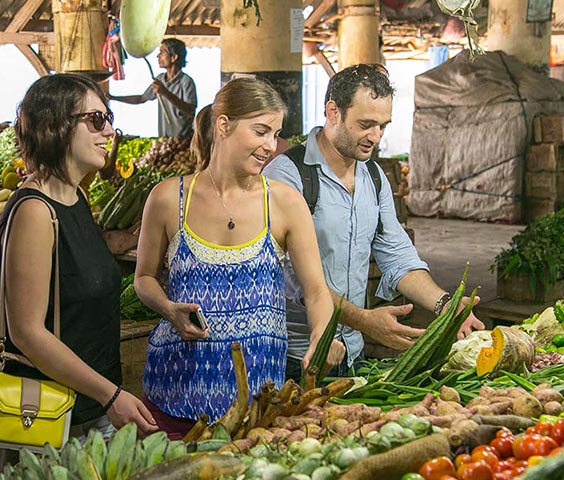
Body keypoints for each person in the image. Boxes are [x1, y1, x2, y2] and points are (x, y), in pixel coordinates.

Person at [134, 77, 344, 439]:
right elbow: (144, 279)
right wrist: (169, 309)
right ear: (223, 124)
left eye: (275, 134)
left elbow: (316, 292)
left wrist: (320, 336)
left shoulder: (284, 202)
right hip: (175, 396)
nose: (270, 146)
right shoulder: (169, 198)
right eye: (261, 131)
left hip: (258, 407)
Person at [263, 63, 485, 380]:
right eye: (366, 124)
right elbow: (289, 278)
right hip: (293, 357)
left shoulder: (374, 178)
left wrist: (446, 307)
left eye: (383, 126)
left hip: (350, 353)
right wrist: (365, 320)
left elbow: (397, 255)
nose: (375, 137)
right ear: (333, 112)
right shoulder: (288, 175)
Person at [1, 74, 158, 441]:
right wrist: (110, 394)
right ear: (56, 126)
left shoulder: (76, 199)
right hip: (53, 417)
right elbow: (26, 332)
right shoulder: (35, 211)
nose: (109, 133)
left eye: (110, 120)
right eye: (97, 120)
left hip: (93, 410)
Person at [109, 38, 197, 138]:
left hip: (183, 140)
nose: (158, 56)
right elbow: (141, 98)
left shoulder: (186, 82)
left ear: (174, 57)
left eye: (162, 52)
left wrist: (165, 93)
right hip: (164, 139)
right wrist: (113, 97)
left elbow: (190, 111)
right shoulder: (160, 79)